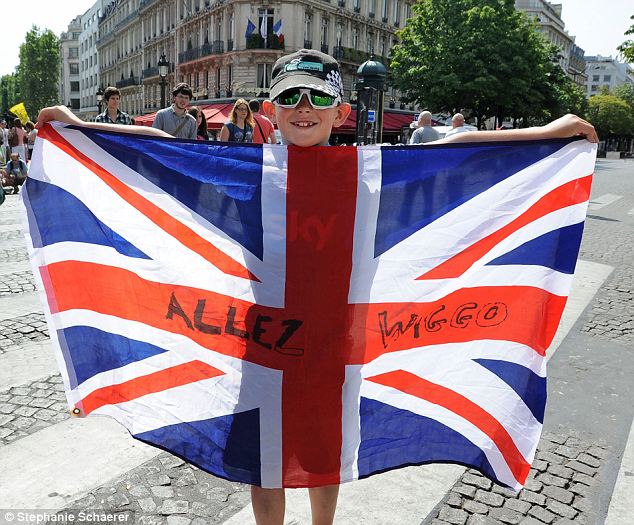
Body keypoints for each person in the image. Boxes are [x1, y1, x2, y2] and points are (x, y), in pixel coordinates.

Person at [35, 48, 597, 525]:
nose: (305, 110)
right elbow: (154, 150)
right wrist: (79, 128)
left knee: (324, 451)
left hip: (336, 341)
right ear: (272, 109)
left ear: (341, 111)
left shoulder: (365, 170)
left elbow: (459, 151)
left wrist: (549, 134)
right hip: (263, 338)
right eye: (292, 98)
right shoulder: (246, 166)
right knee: (263, 449)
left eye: (319, 99)